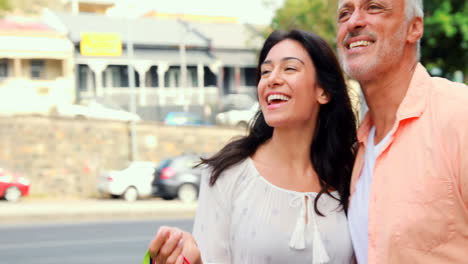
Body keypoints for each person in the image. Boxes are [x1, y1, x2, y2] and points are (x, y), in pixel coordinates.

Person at [146, 29, 358, 264]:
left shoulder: (350, 173)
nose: (272, 79)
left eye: (289, 68)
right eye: (265, 72)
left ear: (324, 91)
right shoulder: (228, 172)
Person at [336, 0, 468, 263]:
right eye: (345, 13)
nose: (353, 22)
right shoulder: (357, 147)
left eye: (373, 7)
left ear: (414, 28)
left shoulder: (458, 115)